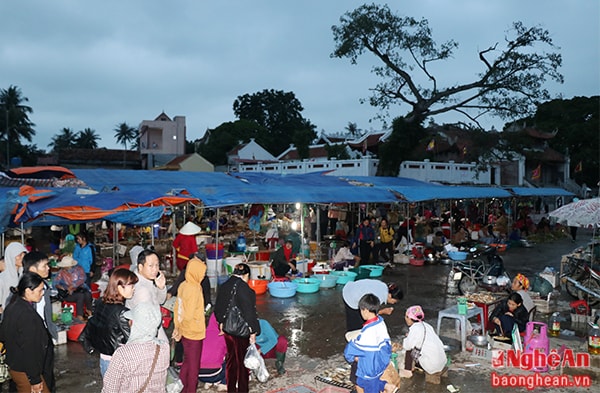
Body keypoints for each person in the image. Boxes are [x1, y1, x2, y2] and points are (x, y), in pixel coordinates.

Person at [80, 268, 138, 376]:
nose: (134, 289)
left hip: (104, 358)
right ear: (120, 287)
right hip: (118, 362)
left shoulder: (100, 302)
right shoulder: (121, 312)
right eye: (131, 286)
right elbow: (131, 339)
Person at [0, 272, 52, 393]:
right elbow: (30, 349)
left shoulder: (13, 305)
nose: (42, 293)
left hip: (16, 366)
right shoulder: (27, 316)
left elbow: (3, 333)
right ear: (28, 291)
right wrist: (34, 379)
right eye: (40, 290)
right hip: (26, 371)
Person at [101, 303, 170, 393]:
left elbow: (109, 390)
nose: (130, 323)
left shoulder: (122, 354)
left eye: (132, 320)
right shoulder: (164, 348)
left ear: (136, 324)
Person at [214, 263, 260, 393]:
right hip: (241, 331)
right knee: (243, 364)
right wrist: (254, 331)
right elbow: (249, 312)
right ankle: (243, 390)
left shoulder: (224, 286)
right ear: (246, 275)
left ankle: (231, 389)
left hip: (228, 330)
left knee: (231, 361)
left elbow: (217, 308)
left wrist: (221, 322)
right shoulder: (244, 289)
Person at [344, 294, 397, 393]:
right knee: (361, 381)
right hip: (380, 363)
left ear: (365, 310)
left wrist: (351, 357)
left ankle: (385, 386)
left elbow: (351, 349)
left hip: (370, 369)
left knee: (368, 384)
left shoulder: (368, 332)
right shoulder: (380, 322)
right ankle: (387, 386)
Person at [22, 251, 57, 393]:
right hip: (31, 342)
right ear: (32, 270)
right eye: (44, 266)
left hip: (45, 338)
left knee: (48, 377)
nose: (48, 268)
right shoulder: (22, 292)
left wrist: (51, 333)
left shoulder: (44, 287)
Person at [172, 255, 207, 393]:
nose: (203, 276)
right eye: (202, 273)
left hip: (184, 330)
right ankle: (190, 390)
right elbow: (190, 313)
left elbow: (178, 307)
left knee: (187, 362)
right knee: (194, 367)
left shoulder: (183, 285)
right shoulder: (195, 288)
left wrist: (178, 326)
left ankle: (182, 388)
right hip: (194, 332)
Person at [126, 249, 168, 341]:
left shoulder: (146, 279)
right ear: (140, 267)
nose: (155, 269)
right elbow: (145, 323)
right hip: (144, 332)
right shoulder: (140, 289)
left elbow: (160, 301)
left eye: (157, 265)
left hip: (153, 323)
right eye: (151, 266)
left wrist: (161, 288)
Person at [400, 305, 446, 379]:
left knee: (409, 350)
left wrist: (407, 338)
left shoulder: (414, 329)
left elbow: (407, 346)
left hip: (432, 366)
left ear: (410, 318)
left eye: (406, 316)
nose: (405, 318)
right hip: (442, 361)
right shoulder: (427, 325)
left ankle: (407, 371)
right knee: (415, 345)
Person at [53, 256, 93, 320]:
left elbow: (82, 279)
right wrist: (63, 287)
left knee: (87, 294)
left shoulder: (79, 269)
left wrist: (73, 286)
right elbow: (55, 283)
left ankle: (89, 311)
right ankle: (79, 316)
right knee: (80, 296)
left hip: (79, 290)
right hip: (68, 294)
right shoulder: (61, 272)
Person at [197, 314, 227, 391]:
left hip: (198, 374)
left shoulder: (202, 333)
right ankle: (223, 383)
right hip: (214, 373)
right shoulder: (223, 336)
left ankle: (208, 382)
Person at [0, 242, 27, 316]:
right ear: (11, 256)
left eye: (23, 254)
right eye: (19, 255)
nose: (22, 257)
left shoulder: (24, 275)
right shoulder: (2, 278)